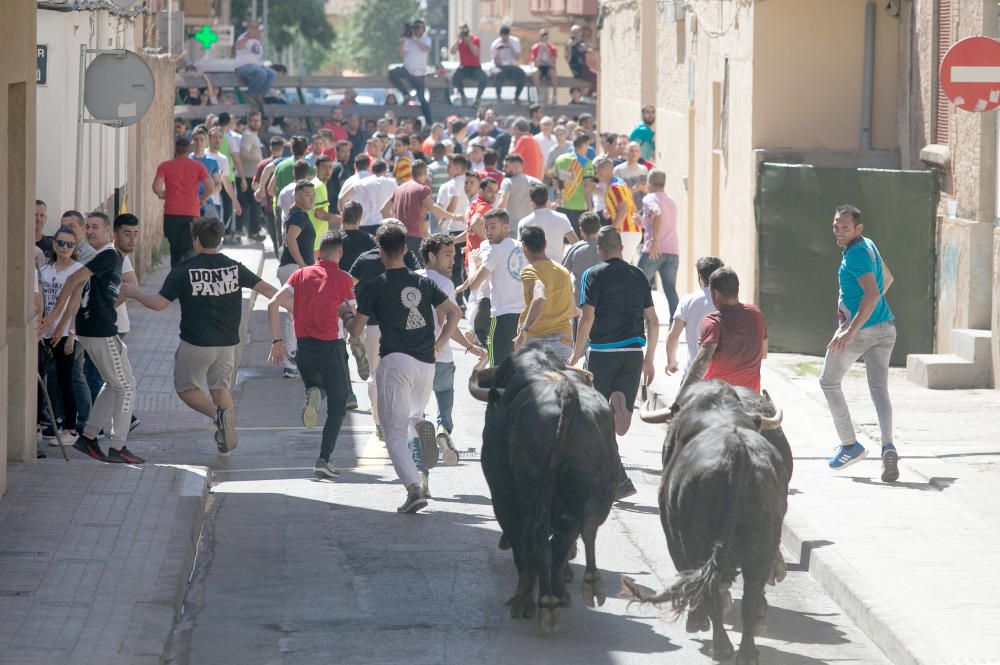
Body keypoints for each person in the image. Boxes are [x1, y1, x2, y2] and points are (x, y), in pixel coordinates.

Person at [125, 218, 275, 454]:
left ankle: (218, 418)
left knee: (186, 389)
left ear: (195, 240)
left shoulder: (183, 271)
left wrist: (134, 292)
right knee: (220, 389)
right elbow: (267, 289)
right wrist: (293, 302)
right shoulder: (234, 267)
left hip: (196, 344)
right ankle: (227, 434)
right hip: (227, 345)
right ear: (220, 240)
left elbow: (158, 304)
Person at [348, 224, 463, 513]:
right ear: (405, 250)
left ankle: (413, 488)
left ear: (380, 251)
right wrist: (439, 343)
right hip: (427, 363)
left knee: (392, 432)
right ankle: (420, 425)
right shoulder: (424, 283)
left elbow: (357, 330)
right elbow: (455, 313)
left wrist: (345, 315)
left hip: (396, 361)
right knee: (411, 415)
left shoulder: (375, 285)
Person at [37, 212, 144, 464]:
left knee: (115, 383)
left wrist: (69, 325)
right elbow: (74, 280)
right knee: (125, 387)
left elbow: (82, 291)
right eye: (126, 234)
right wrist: (53, 316)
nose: (132, 239)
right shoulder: (108, 255)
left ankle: (88, 436)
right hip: (99, 331)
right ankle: (118, 446)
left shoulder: (111, 258)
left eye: (135, 234)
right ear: (114, 234)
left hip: (99, 329)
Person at [567, 227, 658, 499]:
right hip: (632, 353)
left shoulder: (592, 274)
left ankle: (615, 478)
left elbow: (586, 318)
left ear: (600, 249)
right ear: (621, 247)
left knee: (595, 420)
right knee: (610, 421)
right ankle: (621, 403)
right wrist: (650, 360)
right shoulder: (638, 274)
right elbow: (652, 320)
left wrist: (576, 354)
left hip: (602, 354)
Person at [267, 231, 357, 478]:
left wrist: (277, 341)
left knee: (318, 385)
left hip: (304, 349)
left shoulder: (299, 275)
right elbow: (352, 317)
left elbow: (273, 303)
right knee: (338, 407)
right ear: (340, 254)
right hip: (332, 348)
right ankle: (323, 458)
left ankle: (315, 391)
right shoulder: (343, 279)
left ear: (318, 254)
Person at [821, 205, 898, 481]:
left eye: (845, 227)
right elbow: (886, 280)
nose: (839, 232)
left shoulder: (854, 256)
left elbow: (873, 291)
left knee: (828, 382)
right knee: (879, 390)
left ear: (858, 229)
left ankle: (850, 445)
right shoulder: (869, 245)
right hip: (886, 329)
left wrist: (850, 330)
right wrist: (871, 309)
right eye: (836, 226)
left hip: (860, 333)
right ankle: (888, 446)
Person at [415, 234, 487, 495]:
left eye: (453, 256)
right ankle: (444, 431)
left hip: (416, 359)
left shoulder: (413, 278)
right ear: (431, 256)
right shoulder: (444, 284)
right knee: (444, 398)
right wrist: (467, 346)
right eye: (447, 255)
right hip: (442, 356)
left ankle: (421, 476)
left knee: (416, 416)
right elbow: (450, 321)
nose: (452, 260)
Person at [348, 222, 423, 441]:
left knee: (375, 374)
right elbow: (420, 279)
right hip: (401, 323)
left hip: (371, 324)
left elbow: (348, 284)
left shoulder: (365, 258)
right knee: (405, 372)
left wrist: (355, 306)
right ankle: (408, 418)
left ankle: (380, 422)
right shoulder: (405, 256)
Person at [457, 208, 527, 367]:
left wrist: (474, 264)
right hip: (524, 315)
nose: (488, 231)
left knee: (497, 367)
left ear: (506, 227)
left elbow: (475, 284)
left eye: (493, 226)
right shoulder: (520, 246)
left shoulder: (495, 250)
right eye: (486, 227)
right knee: (518, 367)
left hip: (502, 315)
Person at [38, 226, 90, 438]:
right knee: (43, 378)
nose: (64, 248)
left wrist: (72, 334)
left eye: (69, 244)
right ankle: (47, 422)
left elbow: (76, 305)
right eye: (61, 243)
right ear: (54, 244)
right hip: (44, 331)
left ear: (75, 247)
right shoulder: (44, 270)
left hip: (65, 332)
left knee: (65, 379)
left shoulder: (78, 270)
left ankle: (70, 426)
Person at [512, 225, 576, 362]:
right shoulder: (563, 271)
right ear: (545, 243)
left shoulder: (529, 271)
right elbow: (571, 310)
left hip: (535, 340)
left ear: (523, 246)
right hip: (563, 339)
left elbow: (540, 298)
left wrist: (524, 331)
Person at [276, 180, 318, 378]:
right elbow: (290, 239)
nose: (312, 198)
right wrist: (303, 265)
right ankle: (291, 362)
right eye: (308, 195)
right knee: (297, 315)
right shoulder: (299, 216)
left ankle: (293, 361)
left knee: (297, 314)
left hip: (291, 268)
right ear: (297, 195)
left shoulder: (295, 213)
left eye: (313, 195)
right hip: (294, 269)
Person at [153, 136, 213, 266]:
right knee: (190, 248)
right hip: (191, 212)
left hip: (171, 213)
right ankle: (189, 277)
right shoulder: (198, 166)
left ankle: (176, 277)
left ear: (175, 149)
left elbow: (156, 187)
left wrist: (161, 194)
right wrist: (201, 199)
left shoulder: (165, 166)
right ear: (189, 149)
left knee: (175, 249)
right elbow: (210, 187)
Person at [390, 160, 461, 261]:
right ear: (425, 174)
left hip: (397, 235)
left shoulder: (399, 188)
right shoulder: (423, 189)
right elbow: (431, 207)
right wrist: (454, 217)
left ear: (412, 172)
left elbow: (384, 208)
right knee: (417, 270)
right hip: (414, 237)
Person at [665, 256, 724, 378]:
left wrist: (671, 361)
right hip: (722, 380)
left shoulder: (687, 301)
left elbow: (673, 336)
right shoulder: (730, 301)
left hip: (694, 378)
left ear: (700, 278)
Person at [637, 169, 679, 319]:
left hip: (653, 251)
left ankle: (638, 321)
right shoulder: (671, 201)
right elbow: (658, 221)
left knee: (636, 286)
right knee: (670, 290)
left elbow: (657, 213)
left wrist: (654, 242)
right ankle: (675, 324)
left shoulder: (649, 198)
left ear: (649, 183)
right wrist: (642, 223)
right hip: (672, 252)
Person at [595, 157, 642, 264]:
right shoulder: (618, 183)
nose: (596, 173)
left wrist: (611, 230)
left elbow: (623, 208)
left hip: (627, 232)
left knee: (620, 266)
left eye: (599, 170)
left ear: (607, 169)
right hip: (629, 232)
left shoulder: (614, 186)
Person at [388, 19, 433, 125]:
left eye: (419, 27)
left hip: (419, 74)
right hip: (407, 71)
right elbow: (400, 52)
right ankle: (405, 94)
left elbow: (425, 48)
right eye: (416, 27)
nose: (417, 29)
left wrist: (415, 39)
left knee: (422, 99)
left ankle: (429, 123)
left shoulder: (426, 39)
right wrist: (405, 38)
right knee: (392, 73)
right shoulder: (408, 40)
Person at [518, 182, 577, 261]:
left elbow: (519, 249)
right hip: (557, 268)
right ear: (548, 198)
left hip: (534, 269)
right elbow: (576, 244)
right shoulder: (562, 218)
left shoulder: (524, 222)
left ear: (531, 200)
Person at [341, 159, 398, 235]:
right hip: (384, 225)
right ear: (385, 170)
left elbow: (342, 198)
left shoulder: (361, 183)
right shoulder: (392, 183)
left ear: (371, 170)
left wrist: (345, 216)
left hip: (363, 225)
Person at [553, 134, 596, 235]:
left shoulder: (560, 159)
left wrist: (559, 195)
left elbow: (555, 180)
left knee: (562, 237)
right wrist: (590, 207)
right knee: (577, 238)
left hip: (562, 204)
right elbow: (587, 186)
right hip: (580, 206)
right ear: (585, 145)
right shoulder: (586, 162)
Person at [561, 211, 602, 306]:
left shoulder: (575, 248)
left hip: (580, 300)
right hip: (603, 300)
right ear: (600, 228)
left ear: (581, 230)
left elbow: (562, 273)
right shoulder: (606, 247)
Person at [496, 154, 542, 236]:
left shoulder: (507, 182)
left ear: (516, 167)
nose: (503, 169)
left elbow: (502, 206)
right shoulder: (536, 182)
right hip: (534, 228)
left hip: (514, 229)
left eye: (506, 166)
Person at [234, 21, 277, 107]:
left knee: (272, 74)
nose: (255, 30)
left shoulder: (258, 41)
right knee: (261, 73)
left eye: (256, 28)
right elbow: (238, 46)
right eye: (252, 27)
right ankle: (250, 94)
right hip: (243, 67)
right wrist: (249, 36)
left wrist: (257, 38)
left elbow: (258, 55)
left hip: (257, 66)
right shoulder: (243, 36)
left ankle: (260, 95)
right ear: (248, 28)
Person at [239, 112, 265, 240]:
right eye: (253, 120)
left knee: (253, 206)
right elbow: (243, 153)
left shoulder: (253, 135)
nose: (256, 123)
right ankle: (253, 232)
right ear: (248, 121)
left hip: (251, 176)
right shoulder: (248, 135)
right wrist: (259, 159)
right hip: (248, 176)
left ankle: (252, 231)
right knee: (253, 206)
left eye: (258, 120)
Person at [188, 128, 221, 218]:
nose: (199, 142)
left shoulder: (212, 161)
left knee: (212, 230)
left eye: (202, 139)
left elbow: (218, 184)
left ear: (206, 142)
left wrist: (205, 197)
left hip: (207, 203)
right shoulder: (187, 160)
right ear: (192, 142)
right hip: (189, 204)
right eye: (196, 139)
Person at [451, 23, 486, 106]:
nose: (464, 33)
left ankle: (477, 98)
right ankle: (463, 96)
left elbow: (476, 53)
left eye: (465, 31)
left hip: (475, 67)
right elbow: (452, 52)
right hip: (464, 67)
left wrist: (469, 41)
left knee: (483, 78)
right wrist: (458, 39)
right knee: (455, 77)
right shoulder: (459, 41)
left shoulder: (475, 39)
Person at [490, 25, 526, 103]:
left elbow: (517, 57)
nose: (505, 38)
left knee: (521, 74)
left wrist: (510, 46)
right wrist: (498, 51)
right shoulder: (495, 44)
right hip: (498, 66)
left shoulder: (515, 41)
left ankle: (516, 96)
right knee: (499, 74)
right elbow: (497, 62)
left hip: (510, 66)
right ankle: (499, 96)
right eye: (503, 36)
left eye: (506, 36)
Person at [530, 30, 559, 105]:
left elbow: (552, 64)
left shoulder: (552, 48)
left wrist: (548, 52)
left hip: (548, 67)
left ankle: (554, 95)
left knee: (553, 74)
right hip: (539, 68)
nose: (544, 41)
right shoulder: (535, 48)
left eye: (546, 39)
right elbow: (536, 63)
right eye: (543, 39)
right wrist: (540, 52)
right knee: (535, 73)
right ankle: (538, 95)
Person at [566, 24, 597, 93]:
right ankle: (591, 94)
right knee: (595, 77)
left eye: (578, 32)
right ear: (571, 33)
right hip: (578, 70)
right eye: (575, 32)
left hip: (585, 68)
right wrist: (570, 47)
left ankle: (591, 93)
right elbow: (568, 59)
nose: (577, 34)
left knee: (597, 75)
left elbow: (589, 50)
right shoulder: (569, 44)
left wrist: (587, 49)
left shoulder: (581, 42)